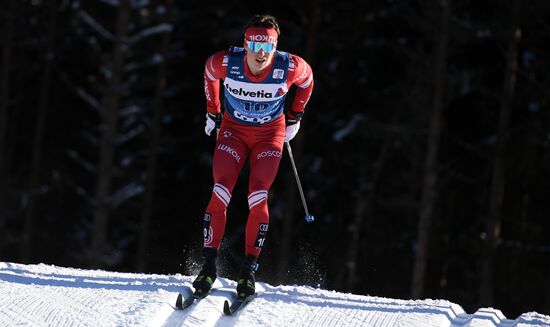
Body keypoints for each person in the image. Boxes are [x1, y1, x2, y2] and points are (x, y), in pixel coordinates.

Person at [193, 14, 314, 299]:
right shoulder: (225, 63)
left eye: (268, 48)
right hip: (233, 132)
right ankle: (208, 265)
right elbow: (209, 73)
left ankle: (248, 270)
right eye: (255, 46)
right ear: (245, 44)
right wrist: (213, 110)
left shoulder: (289, 66)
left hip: (269, 135)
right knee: (220, 189)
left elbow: (308, 82)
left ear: (275, 48)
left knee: (258, 194)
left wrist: (295, 116)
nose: (261, 55)